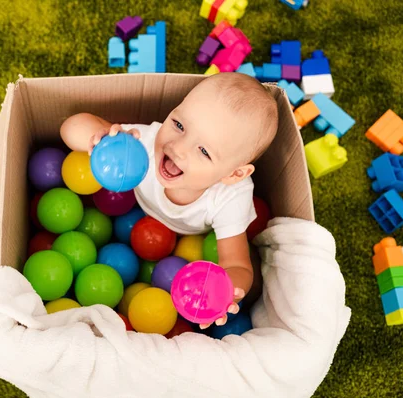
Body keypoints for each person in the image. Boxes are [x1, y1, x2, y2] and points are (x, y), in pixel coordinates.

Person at [60, 73, 278, 327]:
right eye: (179, 125)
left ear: (233, 174)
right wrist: (99, 138)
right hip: (135, 207)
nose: (178, 147)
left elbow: (237, 264)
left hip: (189, 239)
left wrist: (227, 290)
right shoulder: (143, 144)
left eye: (204, 151)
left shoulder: (230, 197)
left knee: (256, 284)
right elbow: (70, 127)